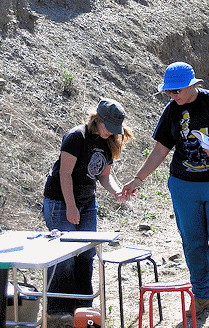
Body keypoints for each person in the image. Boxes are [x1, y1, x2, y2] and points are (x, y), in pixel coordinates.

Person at [122, 62, 209, 316]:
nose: (173, 96)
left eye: (177, 91)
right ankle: (201, 297)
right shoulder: (171, 110)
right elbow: (161, 150)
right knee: (193, 241)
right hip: (184, 186)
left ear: (193, 85)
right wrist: (137, 180)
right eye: (169, 92)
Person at [42, 99, 133, 323]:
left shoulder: (108, 142)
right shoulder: (76, 136)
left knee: (87, 255)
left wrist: (116, 192)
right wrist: (71, 207)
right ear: (97, 120)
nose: (111, 133)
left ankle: (83, 311)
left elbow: (104, 175)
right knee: (64, 259)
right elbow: (65, 174)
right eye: (108, 127)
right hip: (60, 202)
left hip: (87, 202)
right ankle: (57, 312)